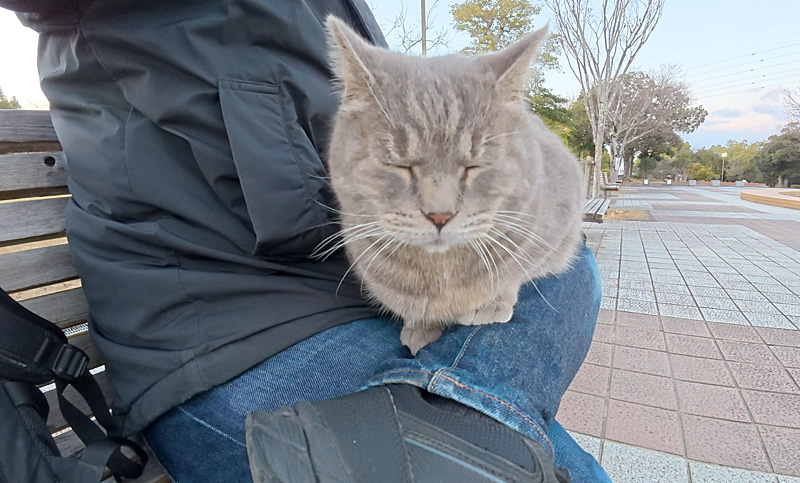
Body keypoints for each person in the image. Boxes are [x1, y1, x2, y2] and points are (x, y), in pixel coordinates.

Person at [3, 1, 611, 481]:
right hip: (221, 332)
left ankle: (464, 400)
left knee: (573, 269)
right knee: (541, 459)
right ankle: (473, 403)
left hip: (340, 295)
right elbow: (302, 197)